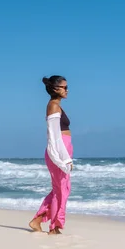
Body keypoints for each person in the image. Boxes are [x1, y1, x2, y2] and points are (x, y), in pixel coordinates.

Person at [29, 75, 73, 234]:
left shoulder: (56, 105)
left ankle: (38, 220)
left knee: (60, 189)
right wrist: (65, 159)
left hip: (62, 150)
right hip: (58, 152)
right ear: (55, 89)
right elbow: (55, 137)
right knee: (62, 190)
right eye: (64, 87)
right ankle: (55, 226)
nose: (67, 90)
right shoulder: (53, 106)